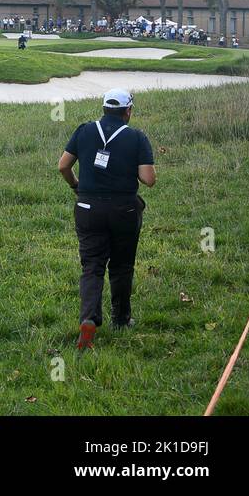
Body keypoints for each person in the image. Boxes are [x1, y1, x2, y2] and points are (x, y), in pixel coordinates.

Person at [57, 88, 156, 349]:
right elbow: (148, 180)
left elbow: (63, 166)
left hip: (88, 208)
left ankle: (89, 318)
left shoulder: (84, 130)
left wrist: (75, 185)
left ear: (103, 108)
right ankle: (121, 319)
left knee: (92, 267)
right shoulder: (136, 137)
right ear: (128, 111)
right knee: (122, 266)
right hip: (124, 210)